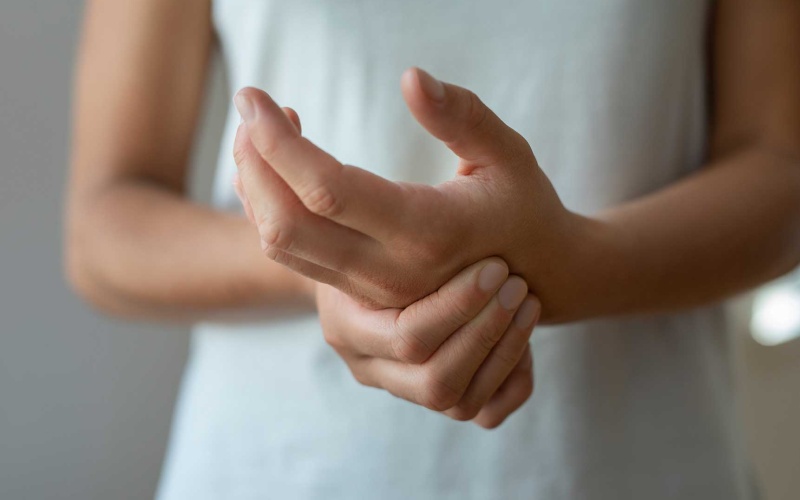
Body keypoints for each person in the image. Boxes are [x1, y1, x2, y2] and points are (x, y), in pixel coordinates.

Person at [65, 0, 800, 498]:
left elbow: (778, 167)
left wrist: (576, 262)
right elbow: (106, 222)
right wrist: (334, 262)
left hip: (639, 467)